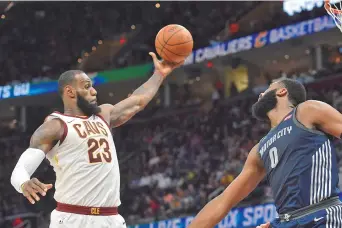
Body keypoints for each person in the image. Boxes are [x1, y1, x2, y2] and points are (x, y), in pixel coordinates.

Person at [10, 52, 183, 228]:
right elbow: (20, 169)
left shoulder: (104, 114)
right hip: (73, 218)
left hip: (111, 218)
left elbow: (138, 101)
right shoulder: (55, 126)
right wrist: (24, 183)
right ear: (70, 91)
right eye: (86, 86)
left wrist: (159, 74)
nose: (94, 91)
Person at [188, 78, 342, 228]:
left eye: (268, 88)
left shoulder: (307, 111)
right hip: (286, 221)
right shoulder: (259, 149)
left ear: (282, 91)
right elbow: (224, 200)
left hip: (321, 215)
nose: (260, 95)